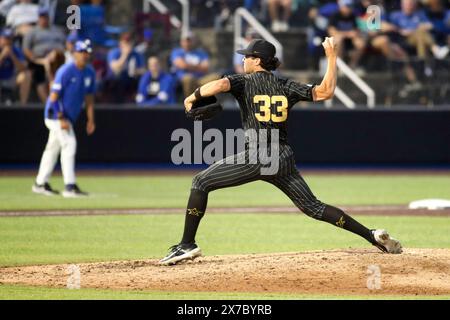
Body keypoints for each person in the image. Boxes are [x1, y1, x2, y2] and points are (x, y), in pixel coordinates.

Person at [160, 38, 403, 265]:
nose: (243, 60)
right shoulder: (285, 85)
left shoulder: (243, 81)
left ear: (256, 60)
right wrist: (331, 57)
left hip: (258, 155)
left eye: (246, 57)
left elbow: (220, 83)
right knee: (314, 207)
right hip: (282, 157)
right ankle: (371, 235)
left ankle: (187, 244)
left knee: (200, 182)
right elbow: (326, 91)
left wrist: (192, 96)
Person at [32, 40, 96, 198]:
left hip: (66, 117)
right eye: (82, 52)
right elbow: (54, 97)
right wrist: (60, 118)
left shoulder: (89, 72)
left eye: (87, 52)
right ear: (75, 53)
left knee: (52, 149)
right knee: (69, 144)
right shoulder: (66, 70)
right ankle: (69, 185)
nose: (84, 55)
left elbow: (89, 97)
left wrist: (90, 119)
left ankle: (40, 183)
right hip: (55, 115)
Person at [22, 7, 65, 102]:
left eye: (45, 17)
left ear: (49, 18)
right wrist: (35, 59)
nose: (44, 19)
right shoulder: (32, 32)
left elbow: (64, 45)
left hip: (56, 60)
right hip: (38, 60)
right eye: (42, 17)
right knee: (38, 78)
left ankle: (57, 102)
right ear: (38, 18)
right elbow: (26, 49)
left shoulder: (57, 30)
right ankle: (48, 104)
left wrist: (54, 54)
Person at [170, 31, 219, 98]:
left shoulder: (201, 52)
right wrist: (198, 67)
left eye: (189, 41)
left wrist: (188, 66)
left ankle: (212, 103)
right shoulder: (177, 52)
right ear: (181, 42)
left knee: (217, 77)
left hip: (200, 79)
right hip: (183, 78)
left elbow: (206, 67)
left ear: (194, 41)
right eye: (185, 41)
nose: (187, 43)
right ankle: (190, 103)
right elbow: (182, 65)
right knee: (188, 79)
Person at [106, 31, 145, 103]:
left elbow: (143, 69)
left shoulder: (136, 54)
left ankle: (141, 103)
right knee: (118, 81)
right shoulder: (114, 52)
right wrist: (125, 55)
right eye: (125, 42)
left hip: (130, 80)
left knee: (142, 80)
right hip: (114, 81)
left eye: (129, 42)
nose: (128, 45)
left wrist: (135, 71)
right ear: (120, 43)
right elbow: (114, 67)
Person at [327, 0, 366, 71]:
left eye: (350, 6)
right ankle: (340, 66)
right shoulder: (335, 16)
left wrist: (351, 34)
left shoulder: (353, 16)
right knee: (338, 39)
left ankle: (352, 65)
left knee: (360, 43)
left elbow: (356, 31)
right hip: (339, 41)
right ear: (341, 6)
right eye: (347, 6)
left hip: (350, 41)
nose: (349, 8)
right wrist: (347, 34)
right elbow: (332, 32)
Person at [0, 28, 31, 104]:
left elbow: (23, 68)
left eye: (10, 39)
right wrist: (2, 56)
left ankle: (23, 105)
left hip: (11, 78)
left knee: (27, 75)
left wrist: (12, 56)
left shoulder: (16, 50)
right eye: (6, 38)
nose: (8, 41)